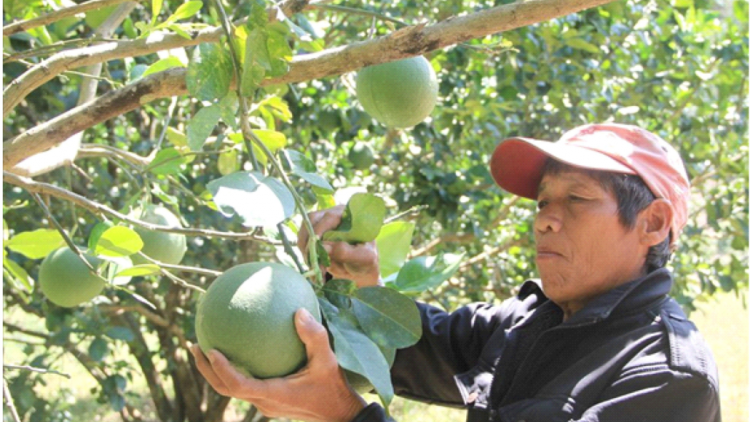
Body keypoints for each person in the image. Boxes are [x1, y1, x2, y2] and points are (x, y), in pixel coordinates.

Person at [190, 123, 721, 422]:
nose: (544, 223)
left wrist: (343, 411)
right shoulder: (534, 321)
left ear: (651, 224)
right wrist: (357, 294)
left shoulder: (666, 380)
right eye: (541, 203)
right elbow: (424, 347)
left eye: (576, 200)